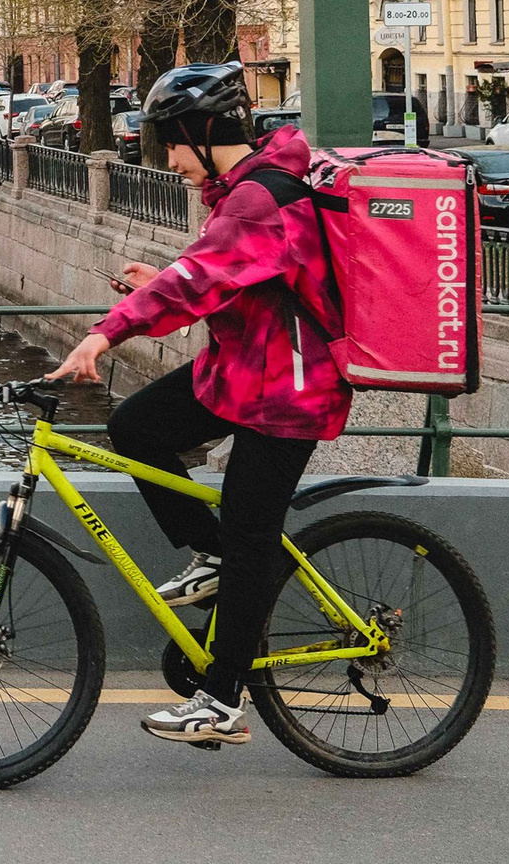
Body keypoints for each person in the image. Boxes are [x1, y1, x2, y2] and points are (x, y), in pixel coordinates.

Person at [48, 61, 348, 750]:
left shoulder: (257, 196)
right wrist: (161, 281)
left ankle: (222, 699)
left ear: (201, 131)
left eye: (172, 144)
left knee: (251, 536)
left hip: (291, 388)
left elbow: (197, 279)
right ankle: (213, 555)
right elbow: (230, 277)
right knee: (135, 425)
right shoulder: (245, 190)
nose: (170, 160)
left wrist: (106, 331)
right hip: (248, 369)